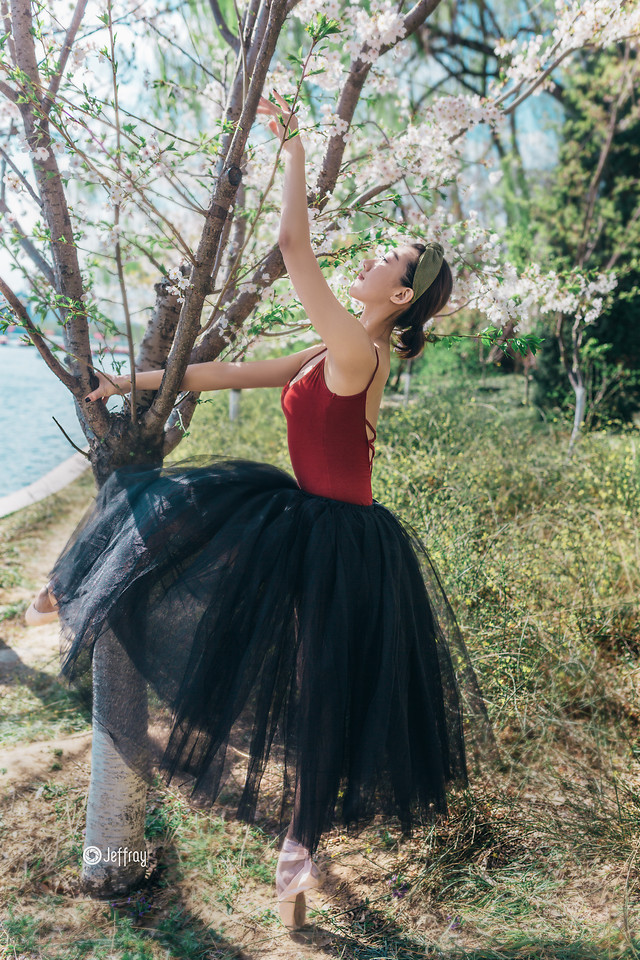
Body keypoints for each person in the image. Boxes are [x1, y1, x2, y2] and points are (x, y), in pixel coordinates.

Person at [26, 91, 479, 930]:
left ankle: (301, 845)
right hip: (302, 517)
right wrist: (134, 381)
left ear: (403, 294)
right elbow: (228, 376)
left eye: (392, 257)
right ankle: (73, 582)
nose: (375, 257)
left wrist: (297, 142)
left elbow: (290, 243)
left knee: (318, 693)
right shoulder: (329, 345)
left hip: (342, 542)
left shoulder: (356, 346)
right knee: (177, 520)